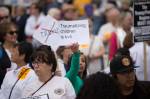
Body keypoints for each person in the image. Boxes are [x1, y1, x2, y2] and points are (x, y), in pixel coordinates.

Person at [0, 21, 18, 86]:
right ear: (4, 35)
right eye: (11, 33)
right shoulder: (1, 50)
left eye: (16, 32)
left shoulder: (21, 48)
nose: (15, 34)